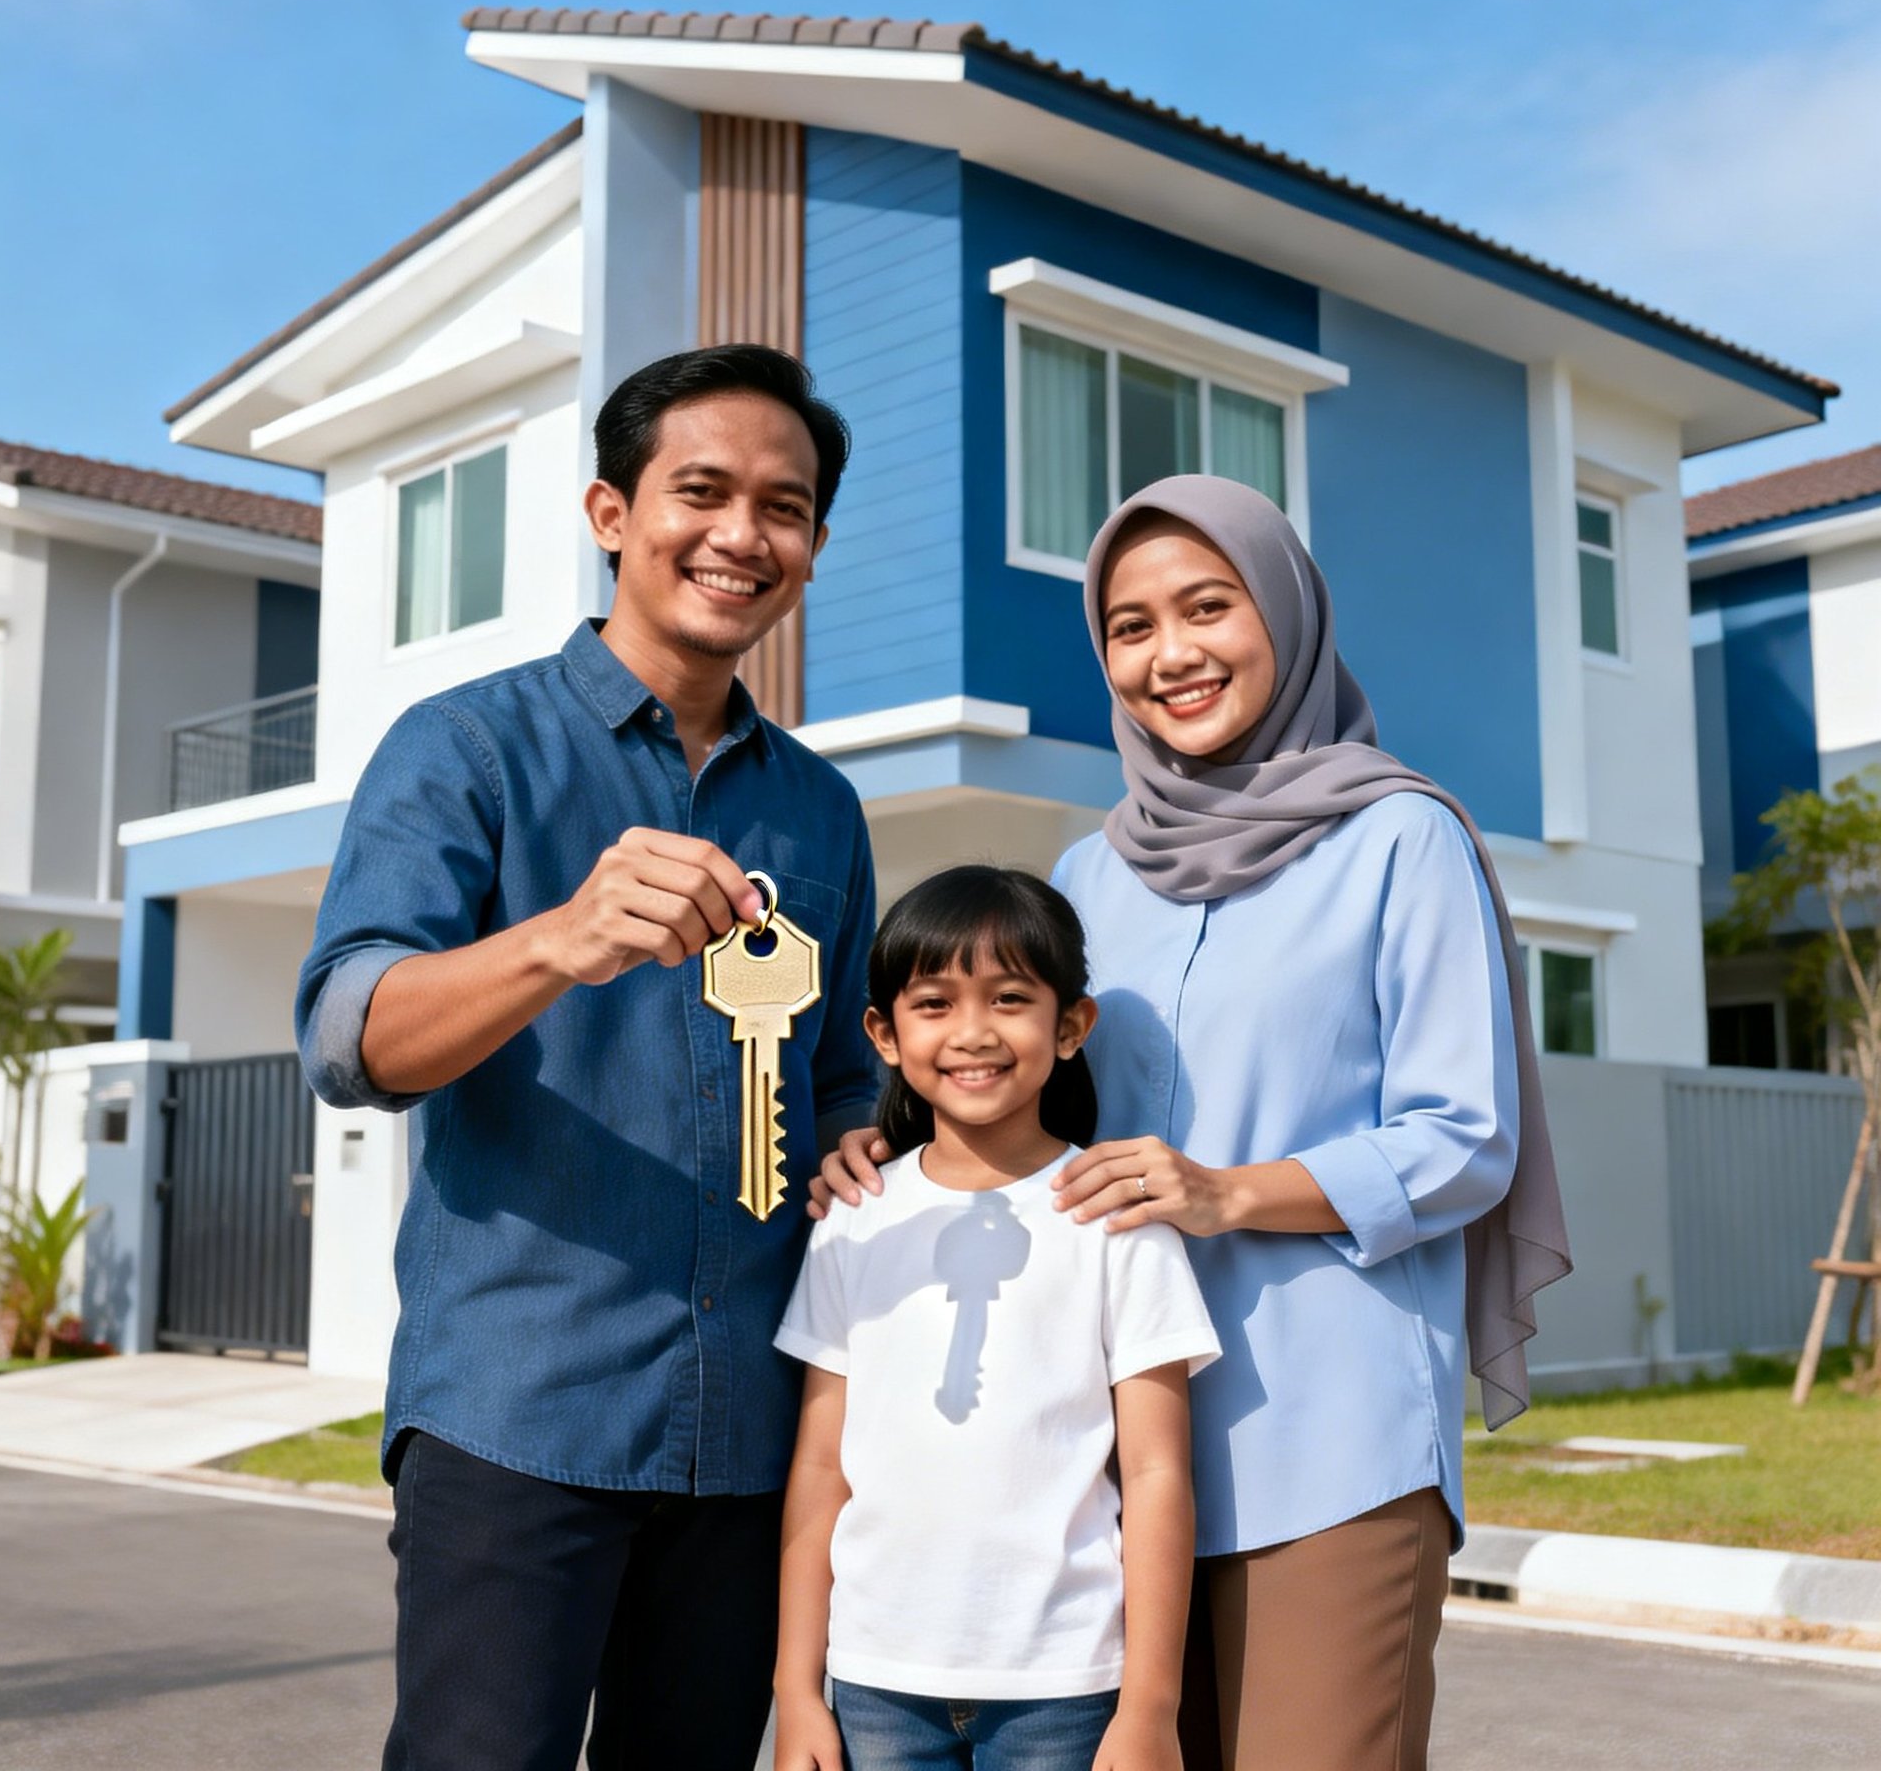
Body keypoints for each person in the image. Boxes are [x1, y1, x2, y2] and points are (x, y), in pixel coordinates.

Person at [822, 477, 1570, 1771]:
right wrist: (887, 1144)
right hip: (1097, 1451)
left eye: (1207, 607)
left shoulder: (1402, 837)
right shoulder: (1088, 874)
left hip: (1330, 1442)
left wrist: (1228, 1193)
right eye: (1128, 626)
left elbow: (1463, 1137)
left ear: (1283, 610)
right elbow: (1023, 1102)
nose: (1170, 654)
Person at [296, 344, 882, 1771]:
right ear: (611, 512)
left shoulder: (821, 811)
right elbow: (346, 1035)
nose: (744, 534)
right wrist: (558, 939)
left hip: (749, 1433)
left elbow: (843, 1083)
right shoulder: (466, 750)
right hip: (519, 1413)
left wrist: (870, 1139)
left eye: (786, 507)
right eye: (703, 491)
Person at [774, 865, 1220, 1771]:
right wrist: (795, 1690)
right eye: (933, 1003)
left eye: (1010, 998)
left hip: (1069, 1687)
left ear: (1070, 1027)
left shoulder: (1113, 1218)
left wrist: (1151, 1709)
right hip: (875, 1683)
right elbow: (821, 1468)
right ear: (884, 1035)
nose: (973, 1032)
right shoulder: (852, 1218)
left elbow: (1159, 1471)